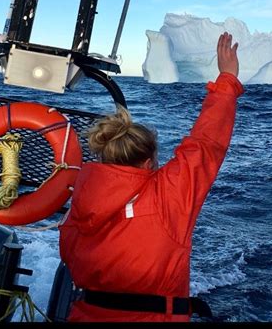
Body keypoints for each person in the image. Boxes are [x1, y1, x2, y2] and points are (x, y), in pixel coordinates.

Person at [59, 32, 244, 322]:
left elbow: (69, 252)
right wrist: (227, 80)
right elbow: (206, 145)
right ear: (148, 163)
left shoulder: (82, 200)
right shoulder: (167, 195)